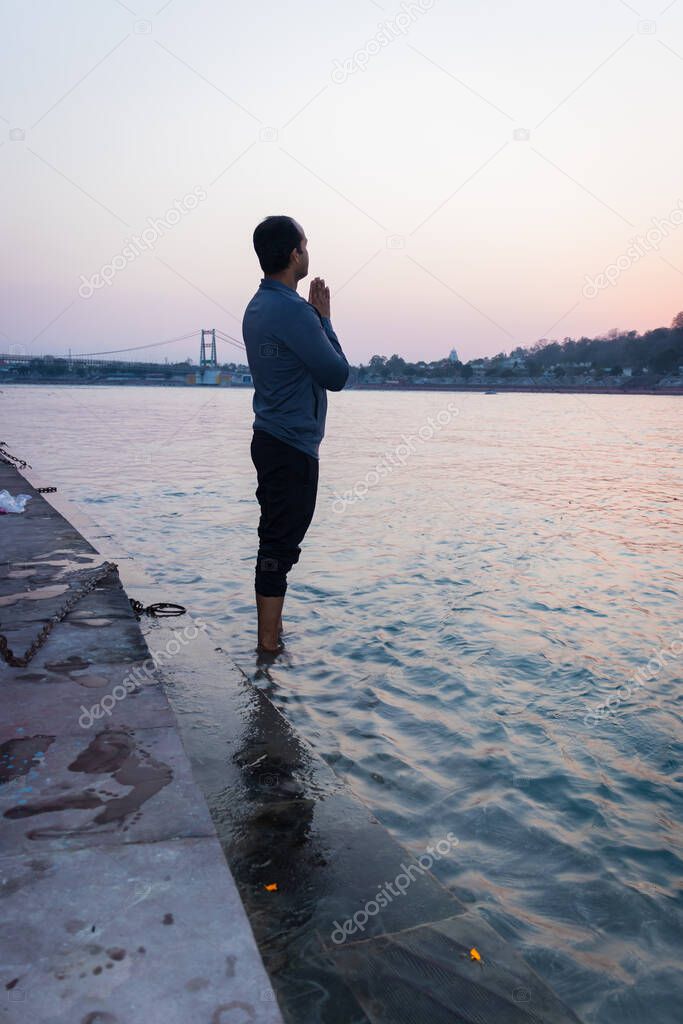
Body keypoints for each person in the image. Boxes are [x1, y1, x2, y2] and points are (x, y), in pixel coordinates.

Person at [242, 216, 349, 654]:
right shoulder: (293, 310)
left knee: (276, 539)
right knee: (279, 544)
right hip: (291, 445)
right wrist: (324, 319)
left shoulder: (257, 305)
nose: (308, 252)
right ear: (293, 254)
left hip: (270, 438)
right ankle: (269, 646)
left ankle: (273, 639)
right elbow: (338, 374)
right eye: (306, 245)